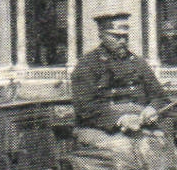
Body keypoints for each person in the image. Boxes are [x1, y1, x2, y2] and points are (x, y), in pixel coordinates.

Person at [70, 11, 169, 140]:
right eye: (116, 37)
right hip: (98, 127)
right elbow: (84, 108)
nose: (122, 41)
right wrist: (119, 119)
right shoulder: (87, 64)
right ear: (101, 35)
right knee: (122, 149)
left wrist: (153, 108)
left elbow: (161, 97)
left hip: (139, 125)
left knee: (160, 146)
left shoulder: (138, 62)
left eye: (125, 37)